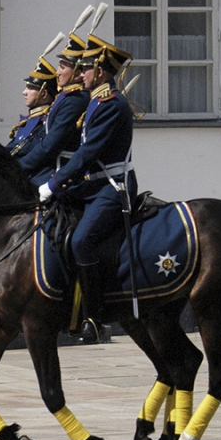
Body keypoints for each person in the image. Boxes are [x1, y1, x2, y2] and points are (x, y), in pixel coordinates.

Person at [38, 32, 135, 331]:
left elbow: (87, 153)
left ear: (101, 71)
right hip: (93, 185)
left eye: (86, 69)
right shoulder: (96, 102)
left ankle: (94, 315)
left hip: (111, 186)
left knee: (81, 241)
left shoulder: (112, 104)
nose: (80, 73)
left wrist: (53, 183)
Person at [16, 31, 89, 186]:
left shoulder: (75, 100)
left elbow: (51, 145)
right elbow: (42, 136)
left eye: (62, 67)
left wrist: (20, 168)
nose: (57, 72)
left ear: (77, 74)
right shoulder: (65, 97)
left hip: (59, 169)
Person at [6, 55, 58, 161]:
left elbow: (28, 150)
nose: (24, 92)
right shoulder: (29, 120)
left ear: (43, 94)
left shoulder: (46, 122)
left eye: (30, 88)